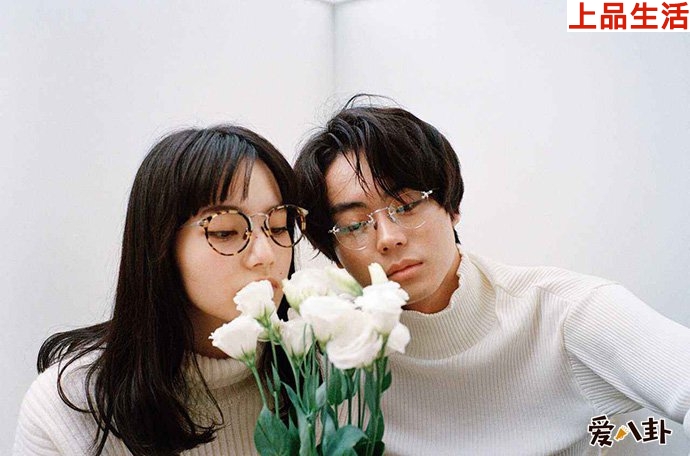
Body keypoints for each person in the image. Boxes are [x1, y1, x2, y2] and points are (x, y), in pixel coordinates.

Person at [294, 95, 690, 455]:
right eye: (355, 225)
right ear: (334, 252)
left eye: (407, 205)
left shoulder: (562, 313)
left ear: (451, 205)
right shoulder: (322, 351)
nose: (388, 238)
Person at [13, 125, 308, 455]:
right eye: (226, 231)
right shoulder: (66, 410)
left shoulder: (326, 378)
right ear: (161, 245)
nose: (266, 255)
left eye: (279, 226)